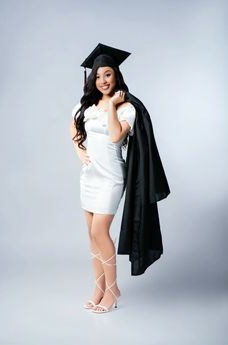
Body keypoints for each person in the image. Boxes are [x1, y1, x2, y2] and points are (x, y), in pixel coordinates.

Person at [70, 43, 170, 314]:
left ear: (116, 76)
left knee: (98, 232)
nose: (103, 81)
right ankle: (98, 288)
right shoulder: (86, 104)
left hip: (111, 175)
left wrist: (113, 106)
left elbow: (115, 136)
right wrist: (79, 150)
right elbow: (74, 127)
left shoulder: (127, 107)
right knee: (90, 237)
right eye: (98, 76)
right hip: (89, 175)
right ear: (93, 78)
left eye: (108, 75)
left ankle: (113, 291)